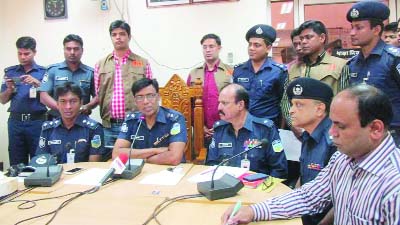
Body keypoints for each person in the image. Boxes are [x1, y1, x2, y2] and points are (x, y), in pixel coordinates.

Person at [221, 84, 400, 225]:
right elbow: (309, 197)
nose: (331, 133)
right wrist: (253, 211)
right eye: (332, 124)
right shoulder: (342, 159)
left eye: (341, 126)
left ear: (375, 129)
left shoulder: (394, 186)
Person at [345, 1, 400, 147]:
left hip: (393, 137)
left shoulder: (393, 59)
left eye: (359, 27)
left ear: (376, 30)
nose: (352, 33)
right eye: (352, 27)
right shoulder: (352, 64)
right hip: (364, 136)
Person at [206, 84, 287, 179]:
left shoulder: (265, 130)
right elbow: (211, 165)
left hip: (258, 189)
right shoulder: (219, 130)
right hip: (225, 188)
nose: (219, 107)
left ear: (240, 105)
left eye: (224, 103)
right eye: (219, 103)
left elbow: (279, 169)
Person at [94, 20, 153, 152]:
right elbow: (98, 94)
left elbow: (150, 94)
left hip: (136, 124)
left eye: (122, 34)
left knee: (138, 161)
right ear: (111, 37)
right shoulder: (100, 64)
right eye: (114, 34)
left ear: (129, 37)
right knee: (111, 164)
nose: (118, 37)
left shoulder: (142, 63)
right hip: (110, 126)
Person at [286, 77, 336, 225]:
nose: (291, 111)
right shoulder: (308, 135)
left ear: (319, 109)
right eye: (292, 104)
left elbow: (339, 200)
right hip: (306, 214)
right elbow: (303, 178)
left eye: (299, 105)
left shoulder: (334, 142)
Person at [112, 78, 186, 166]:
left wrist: (141, 159)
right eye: (140, 97)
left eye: (150, 96)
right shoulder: (131, 121)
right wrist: (155, 151)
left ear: (158, 97)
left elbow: (174, 158)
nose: (145, 102)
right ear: (135, 100)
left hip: (168, 171)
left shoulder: (175, 119)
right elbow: (116, 154)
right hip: (139, 173)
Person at [0, 36, 47, 166]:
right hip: (16, 122)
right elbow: (2, 100)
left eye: (26, 53)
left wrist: (37, 83)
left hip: (37, 122)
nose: (23, 57)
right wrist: (9, 89)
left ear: (34, 52)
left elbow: (52, 97)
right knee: (16, 161)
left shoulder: (43, 72)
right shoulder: (10, 72)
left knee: (38, 161)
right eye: (19, 54)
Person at [233, 24, 288, 127]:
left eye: (257, 45)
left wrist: (282, 129)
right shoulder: (239, 70)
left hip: (268, 127)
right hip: (243, 126)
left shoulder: (278, 72)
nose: (251, 48)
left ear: (268, 48)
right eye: (250, 44)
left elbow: (284, 104)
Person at [36, 82, 104, 163]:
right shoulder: (48, 129)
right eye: (63, 101)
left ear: (81, 103)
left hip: (83, 174)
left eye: (73, 101)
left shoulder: (94, 129)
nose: (68, 107)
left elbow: (93, 166)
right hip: (55, 174)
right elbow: (41, 162)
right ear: (57, 104)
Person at [187, 33, 232, 146]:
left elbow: (236, 101)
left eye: (211, 46)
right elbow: (188, 103)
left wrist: (224, 123)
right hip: (200, 130)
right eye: (204, 47)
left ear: (219, 48)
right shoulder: (193, 73)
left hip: (226, 127)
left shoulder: (230, 71)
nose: (207, 50)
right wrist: (198, 125)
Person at [39, 34, 97, 119]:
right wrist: (62, 108)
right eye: (68, 49)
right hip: (57, 120)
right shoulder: (53, 71)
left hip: (81, 121)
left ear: (82, 50)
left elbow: (98, 96)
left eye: (76, 49)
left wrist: (87, 106)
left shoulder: (90, 73)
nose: (72, 52)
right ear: (64, 50)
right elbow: (43, 96)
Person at [288, 20, 349, 94]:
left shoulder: (341, 65)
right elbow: (286, 100)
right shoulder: (293, 68)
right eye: (301, 38)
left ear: (322, 38)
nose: (303, 42)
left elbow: (344, 98)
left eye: (308, 37)